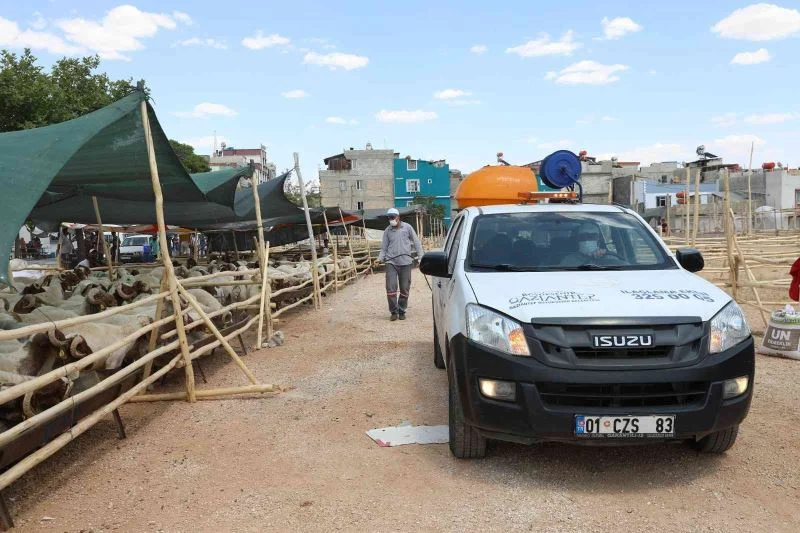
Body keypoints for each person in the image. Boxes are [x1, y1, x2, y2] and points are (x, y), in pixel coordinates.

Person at [377, 208, 424, 321]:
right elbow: (384, 248)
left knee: (404, 288)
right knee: (390, 288)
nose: (391, 219)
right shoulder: (387, 231)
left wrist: (421, 257)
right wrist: (379, 258)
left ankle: (402, 310)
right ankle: (393, 311)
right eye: (389, 217)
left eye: (393, 217)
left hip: (406, 262)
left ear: (398, 217)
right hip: (391, 262)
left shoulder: (407, 228)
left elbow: (417, 242)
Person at [559, 222, 625, 267]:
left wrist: (603, 257)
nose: (587, 240)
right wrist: (591, 259)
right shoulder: (569, 260)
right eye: (582, 237)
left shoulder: (610, 257)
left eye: (591, 236)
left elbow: (623, 268)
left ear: (598, 239)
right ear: (577, 240)